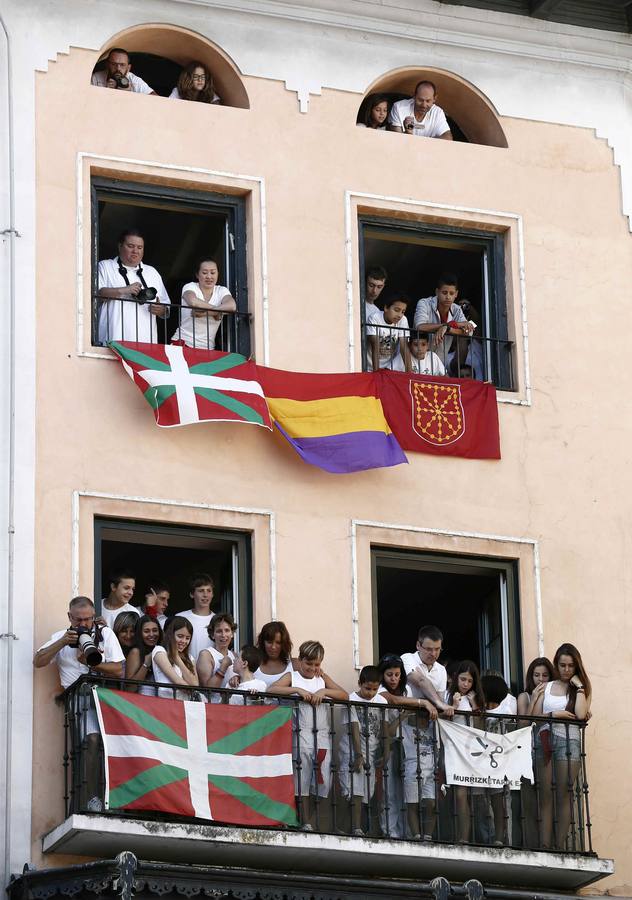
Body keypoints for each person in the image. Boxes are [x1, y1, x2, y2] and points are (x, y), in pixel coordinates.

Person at [33, 596, 124, 811]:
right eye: (78, 620)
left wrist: (93, 663)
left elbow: (119, 670)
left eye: (88, 619)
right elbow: (38, 661)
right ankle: (91, 798)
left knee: (112, 747)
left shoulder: (105, 634)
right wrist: (63, 642)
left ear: (94, 616)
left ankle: (112, 799)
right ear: (69, 617)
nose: (83, 624)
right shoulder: (61, 637)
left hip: (104, 697)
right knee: (91, 740)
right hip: (79, 699)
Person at [268, 640, 347, 831]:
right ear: (301, 660)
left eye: (316, 664)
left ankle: (307, 819)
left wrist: (324, 690)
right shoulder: (292, 676)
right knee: (301, 781)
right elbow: (271, 689)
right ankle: (304, 822)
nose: (312, 668)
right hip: (300, 736)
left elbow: (344, 695)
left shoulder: (322, 678)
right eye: (308, 663)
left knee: (323, 782)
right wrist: (297, 690)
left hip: (322, 738)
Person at [532, 643, 591, 850]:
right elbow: (534, 717)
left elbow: (581, 714)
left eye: (571, 666)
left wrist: (580, 686)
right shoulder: (546, 687)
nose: (566, 669)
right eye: (562, 665)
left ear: (577, 666)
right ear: (556, 664)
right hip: (545, 740)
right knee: (545, 795)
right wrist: (553, 714)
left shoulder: (580, 689)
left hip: (569, 741)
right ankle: (545, 845)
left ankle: (559, 847)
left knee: (564, 795)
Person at [377, 654, 438, 840]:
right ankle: (391, 832)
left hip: (406, 745)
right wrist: (423, 702)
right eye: (389, 675)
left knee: (405, 794)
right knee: (389, 792)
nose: (393, 679)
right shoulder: (379, 690)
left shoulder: (407, 690)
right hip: (387, 743)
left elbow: (408, 710)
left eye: (397, 675)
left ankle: (407, 832)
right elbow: (394, 702)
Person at [97, 229, 170, 345]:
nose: (135, 251)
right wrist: (124, 290)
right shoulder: (105, 266)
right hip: (112, 339)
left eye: (139, 247)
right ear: (120, 246)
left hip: (145, 342)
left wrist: (161, 310)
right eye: (130, 246)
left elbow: (166, 307)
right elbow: (97, 294)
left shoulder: (152, 272)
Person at [338, 665, 387, 836]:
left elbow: (384, 727)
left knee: (365, 793)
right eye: (367, 688)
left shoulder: (382, 702)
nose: (371, 693)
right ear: (360, 683)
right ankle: (356, 828)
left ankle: (347, 828)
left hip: (371, 752)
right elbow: (354, 727)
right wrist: (359, 754)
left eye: (375, 689)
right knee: (355, 791)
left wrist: (386, 751)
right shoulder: (350, 699)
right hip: (352, 750)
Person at [413, 273, 475, 371]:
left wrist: (449, 329)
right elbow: (420, 326)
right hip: (417, 360)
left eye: (451, 293)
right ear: (437, 292)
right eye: (444, 293)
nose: (448, 297)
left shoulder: (457, 309)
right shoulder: (424, 303)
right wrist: (445, 325)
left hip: (440, 363)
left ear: (456, 294)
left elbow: (469, 331)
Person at [171, 259, 236, 349]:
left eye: (213, 273)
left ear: (218, 274)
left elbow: (232, 306)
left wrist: (205, 312)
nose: (209, 276)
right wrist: (218, 312)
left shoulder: (221, 290)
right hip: (183, 343)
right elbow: (193, 302)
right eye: (204, 273)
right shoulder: (190, 286)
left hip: (208, 348)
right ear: (197, 275)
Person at [400, 625, 454, 717]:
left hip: (429, 723)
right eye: (429, 649)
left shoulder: (441, 669)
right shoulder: (407, 658)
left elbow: (440, 704)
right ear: (418, 645)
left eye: (437, 649)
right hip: (405, 721)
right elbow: (421, 681)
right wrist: (437, 701)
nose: (433, 654)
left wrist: (439, 703)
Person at [151, 616, 198, 699]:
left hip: (186, 704)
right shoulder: (159, 651)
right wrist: (175, 656)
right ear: (171, 635)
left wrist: (177, 657)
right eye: (180, 636)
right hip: (166, 703)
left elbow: (195, 685)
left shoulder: (190, 657)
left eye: (187, 638)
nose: (184, 641)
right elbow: (177, 681)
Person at [196, 613, 238, 701]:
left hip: (234, 705)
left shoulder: (234, 655)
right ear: (212, 635)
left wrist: (238, 678)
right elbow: (208, 690)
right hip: (214, 706)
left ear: (232, 633)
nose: (223, 635)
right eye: (219, 631)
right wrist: (223, 668)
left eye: (227, 630)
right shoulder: (206, 654)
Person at [366, 295, 411, 372]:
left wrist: (409, 374)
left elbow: (404, 347)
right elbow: (375, 346)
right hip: (371, 367)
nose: (399, 315)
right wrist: (376, 372)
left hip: (390, 367)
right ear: (386, 308)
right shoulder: (374, 318)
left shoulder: (403, 320)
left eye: (403, 312)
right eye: (396, 310)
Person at [179, 573, 216, 660]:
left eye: (209, 591)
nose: (205, 595)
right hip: (186, 667)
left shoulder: (218, 620)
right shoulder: (181, 617)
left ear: (212, 594)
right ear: (192, 594)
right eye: (201, 591)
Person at [125, 615, 163, 695]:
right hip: (141, 700)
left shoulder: (162, 650)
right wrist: (146, 664)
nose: (151, 634)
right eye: (146, 631)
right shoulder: (135, 652)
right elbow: (130, 688)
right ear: (140, 634)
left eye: (155, 630)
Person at [91, 48, 155, 94]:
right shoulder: (97, 78)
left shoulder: (135, 81)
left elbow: (156, 99)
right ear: (107, 65)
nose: (118, 68)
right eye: (114, 64)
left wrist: (129, 93)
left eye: (122, 65)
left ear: (128, 68)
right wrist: (105, 91)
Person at [253, 621, 294, 688]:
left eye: (278, 643)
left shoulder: (294, 665)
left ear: (284, 644)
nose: (273, 647)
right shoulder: (252, 663)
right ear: (262, 642)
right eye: (269, 642)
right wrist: (236, 676)